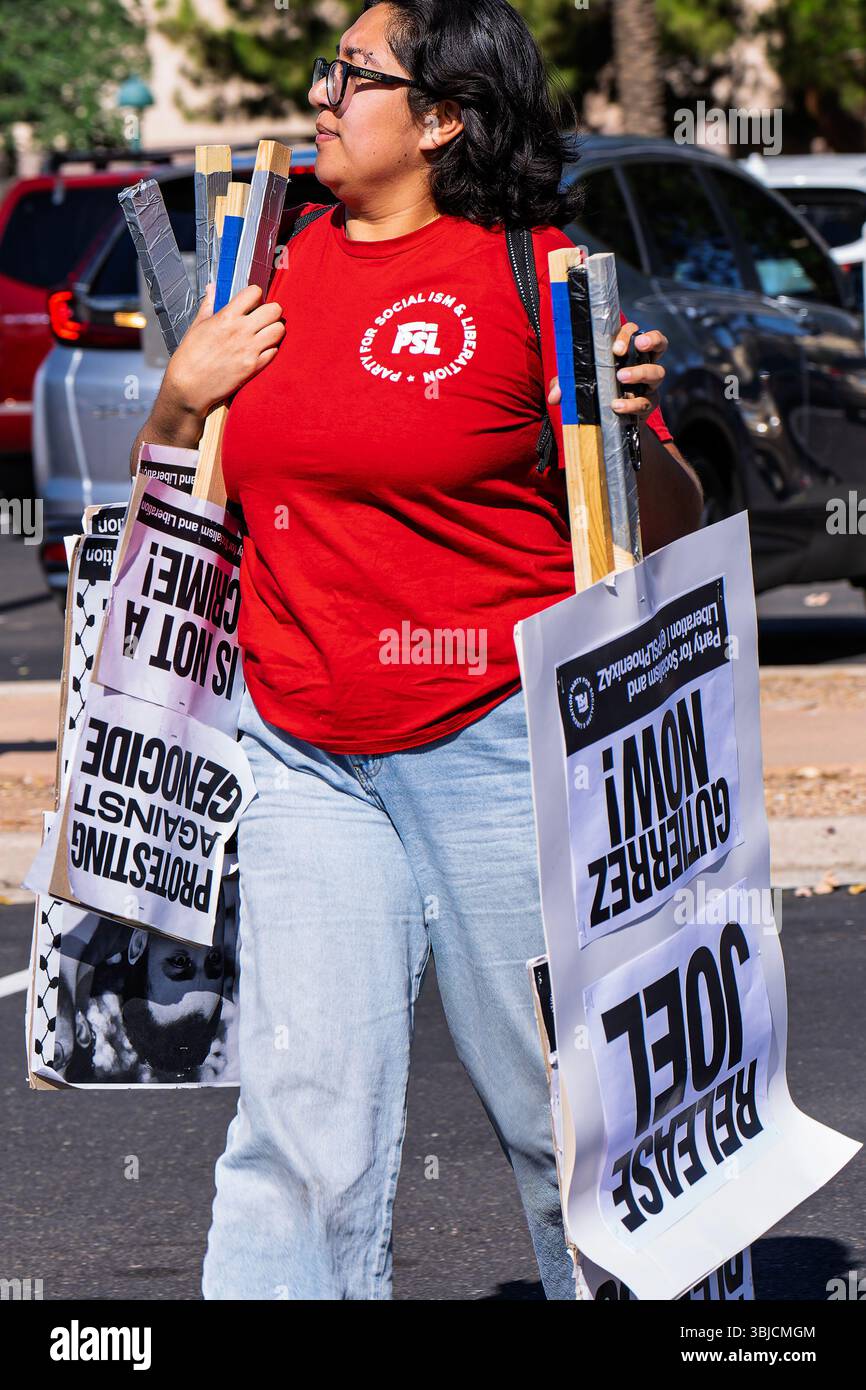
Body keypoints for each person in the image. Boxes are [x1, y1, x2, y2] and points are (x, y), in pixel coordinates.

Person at [132, 0, 703, 1299]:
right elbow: (168, 504)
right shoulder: (264, 266)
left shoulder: (534, 276)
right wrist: (183, 388)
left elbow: (653, 531)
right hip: (300, 750)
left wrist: (631, 433)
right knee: (298, 1129)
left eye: (353, 73)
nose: (320, 92)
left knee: (563, 1118)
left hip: (501, 744)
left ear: (444, 118)